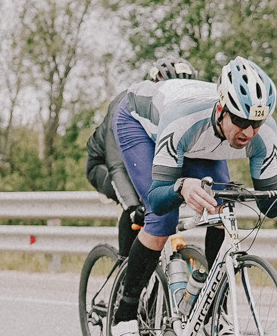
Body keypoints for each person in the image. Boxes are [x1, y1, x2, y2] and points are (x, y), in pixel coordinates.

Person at [103, 57, 277, 336]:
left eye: (257, 123)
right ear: (221, 110)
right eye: (240, 121)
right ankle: (123, 318)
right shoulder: (184, 119)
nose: (248, 133)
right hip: (139, 121)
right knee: (162, 220)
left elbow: (268, 205)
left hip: (201, 138)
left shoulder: (261, 133)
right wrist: (181, 185)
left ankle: (216, 316)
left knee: (221, 208)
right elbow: (160, 197)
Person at [83, 58, 205, 262]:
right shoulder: (127, 105)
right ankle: (124, 264)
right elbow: (117, 166)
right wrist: (133, 207)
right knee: (139, 200)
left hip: (143, 160)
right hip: (104, 165)